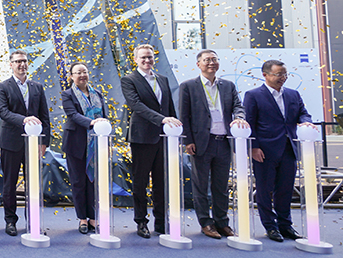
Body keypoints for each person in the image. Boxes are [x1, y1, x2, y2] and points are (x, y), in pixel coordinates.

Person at [244, 59, 317, 242]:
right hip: (264, 150)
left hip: (288, 149)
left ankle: (285, 225)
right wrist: (253, 147)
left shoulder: (293, 94)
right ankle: (270, 226)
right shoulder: (253, 95)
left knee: (285, 189)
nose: (282, 78)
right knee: (264, 190)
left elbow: (303, 112)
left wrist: (306, 121)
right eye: (278, 74)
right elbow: (249, 122)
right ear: (265, 75)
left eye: (284, 74)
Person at [178, 50, 247, 239]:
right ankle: (206, 223)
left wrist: (239, 117)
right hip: (201, 142)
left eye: (214, 59)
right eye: (207, 60)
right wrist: (188, 141)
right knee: (200, 185)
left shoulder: (228, 85)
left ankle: (222, 222)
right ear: (198, 64)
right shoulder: (188, 86)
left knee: (221, 186)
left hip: (223, 142)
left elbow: (238, 106)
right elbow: (184, 115)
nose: (211, 63)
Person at [121, 43, 181, 239]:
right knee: (140, 182)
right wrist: (162, 120)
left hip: (163, 137)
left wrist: (174, 129)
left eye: (150, 57)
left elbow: (169, 107)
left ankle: (161, 222)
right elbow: (136, 105)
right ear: (135, 60)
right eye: (143, 57)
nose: (147, 60)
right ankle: (141, 221)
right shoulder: (129, 80)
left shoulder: (162, 79)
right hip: (142, 137)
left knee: (161, 182)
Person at [0, 50, 50, 236]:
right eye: (18, 61)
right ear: (11, 65)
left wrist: (44, 142)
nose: (22, 64)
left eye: (24, 61)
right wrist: (24, 120)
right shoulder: (3, 86)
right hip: (10, 143)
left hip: (33, 144)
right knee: (9, 184)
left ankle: (33, 221)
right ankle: (10, 221)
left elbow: (44, 116)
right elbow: (3, 112)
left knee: (33, 184)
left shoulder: (37, 87)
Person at [61, 62, 107, 235]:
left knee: (93, 182)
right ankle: (82, 218)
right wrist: (92, 122)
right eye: (78, 72)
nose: (82, 75)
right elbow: (72, 115)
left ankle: (93, 217)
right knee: (78, 182)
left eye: (84, 72)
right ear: (71, 76)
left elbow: (104, 116)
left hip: (95, 144)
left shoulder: (98, 94)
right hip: (76, 143)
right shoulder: (67, 94)